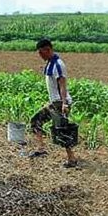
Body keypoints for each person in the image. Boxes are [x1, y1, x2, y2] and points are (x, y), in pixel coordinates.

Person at [28, 38, 78, 168]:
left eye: (41, 52)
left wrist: (64, 104)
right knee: (35, 121)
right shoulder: (50, 63)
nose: (40, 55)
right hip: (54, 102)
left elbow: (62, 85)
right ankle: (41, 149)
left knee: (62, 131)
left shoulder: (58, 64)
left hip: (60, 103)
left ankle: (72, 159)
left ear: (48, 49)